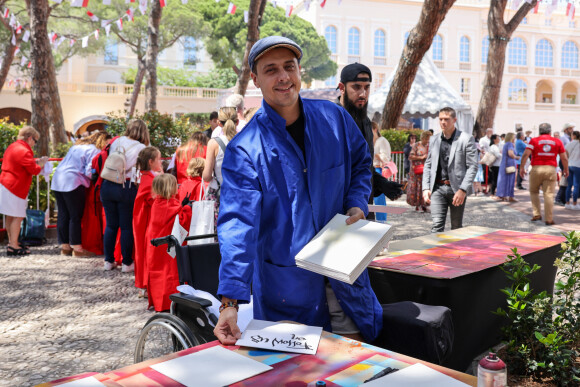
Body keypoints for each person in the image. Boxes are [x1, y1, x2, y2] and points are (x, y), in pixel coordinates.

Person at [213, 36, 382, 345]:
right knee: (297, 376)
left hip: (343, 280)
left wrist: (356, 201)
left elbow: (360, 163)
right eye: (271, 69)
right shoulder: (245, 150)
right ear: (256, 79)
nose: (283, 77)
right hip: (288, 290)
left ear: (300, 70)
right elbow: (238, 226)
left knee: (354, 368)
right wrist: (230, 303)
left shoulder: (335, 120)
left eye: (289, 67)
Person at [336, 62, 403, 220]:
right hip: (338, 210)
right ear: (342, 87)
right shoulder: (329, 120)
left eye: (366, 87)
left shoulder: (366, 122)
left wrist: (380, 183)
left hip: (364, 206)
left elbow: (362, 165)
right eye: (356, 87)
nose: (363, 94)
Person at [100, 118, 149, 271]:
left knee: (111, 225)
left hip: (107, 184)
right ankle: (127, 263)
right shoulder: (142, 147)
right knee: (126, 227)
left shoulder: (117, 141)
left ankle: (108, 261)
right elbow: (142, 170)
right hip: (126, 187)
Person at [422, 107, 478, 233]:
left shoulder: (466, 139)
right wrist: (425, 187)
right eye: (441, 119)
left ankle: (455, 253)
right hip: (437, 188)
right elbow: (428, 164)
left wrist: (463, 190)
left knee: (456, 227)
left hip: (457, 189)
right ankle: (435, 252)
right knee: (436, 226)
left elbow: (472, 166)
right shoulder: (434, 139)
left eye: (446, 119)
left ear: (454, 120)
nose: (443, 122)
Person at [52, 131, 107, 257]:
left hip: (58, 179)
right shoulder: (94, 150)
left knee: (63, 214)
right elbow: (89, 170)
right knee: (75, 215)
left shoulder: (76, 146)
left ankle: (65, 247)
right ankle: (77, 247)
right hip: (73, 181)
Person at [145, 174, 192, 312]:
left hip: (156, 246)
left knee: (158, 272)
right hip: (168, 247)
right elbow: (182, 221)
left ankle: (158, 301)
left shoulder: (156, 203)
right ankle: (169, 301)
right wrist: (187, 208)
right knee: (170, 272)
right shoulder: (170, 204)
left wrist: (182, 205)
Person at [0, 126, 48, 256]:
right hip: (16, 187)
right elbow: (34, 170)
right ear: (30, 138)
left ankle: (12, 242)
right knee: (18, 216)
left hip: (6, 183)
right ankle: (14, 245)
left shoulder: (13, 146)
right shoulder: (24, 150)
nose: (34, 144)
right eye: (35, 141)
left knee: (11, 215)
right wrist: (41, 163)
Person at [519, 123, 569, 226]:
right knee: (549, 194)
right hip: (551, 169)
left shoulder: (534, 140)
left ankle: (537, 214)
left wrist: (522, 167)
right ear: (550, 131)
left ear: (539, 131)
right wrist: (566, 169)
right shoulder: (557, 141)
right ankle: (549, 219)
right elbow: (564, 157)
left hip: (536, 169)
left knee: (533, 191)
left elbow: (526, 154)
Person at [133, 146, 163, 297]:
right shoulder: (149, 179)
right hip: (146, 222)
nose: (161, 161)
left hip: (146, 221)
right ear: (151, 162)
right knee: (145, 252)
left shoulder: (149, 176)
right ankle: (146, 284)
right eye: (159, 158)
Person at [203, 107, 238, 228]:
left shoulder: (214, 143)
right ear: (237, 122)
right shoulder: (244, 139)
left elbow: (207, 176)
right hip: (239, 194)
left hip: (218, 194)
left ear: (219, 123)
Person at [407, 131, 432, 212]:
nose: (428, 141)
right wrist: (421, 157)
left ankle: (424, 204)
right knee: (417, 187)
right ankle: (418, 205)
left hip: (427, 169)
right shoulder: (416, 145)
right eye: (427, 139)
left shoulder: (430, 146)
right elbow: (410, 156)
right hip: (417, 170)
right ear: (423, 138)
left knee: (426, 187)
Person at [372, 122, 390, 221]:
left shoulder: (381, 140)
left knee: (379, 197)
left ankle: (381, 220)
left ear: (375, 129)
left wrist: (378, 156)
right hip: (373, 168)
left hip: (378, 168)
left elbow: (386, 157)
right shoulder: (374, 141)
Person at [495, 133, 520, 202]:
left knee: (503, 180)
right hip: (509, 164)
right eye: (514, 137)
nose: (515, 139)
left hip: (505, 164)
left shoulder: (506, 144)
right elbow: (511, 154)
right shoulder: (509, 144)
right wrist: (517, 157)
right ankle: (510, 196)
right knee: (510, 180)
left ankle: (503, 195)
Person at [564, 130, 580, 210]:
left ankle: (567, 203)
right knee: (576, 185)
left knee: (569, 185)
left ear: (573, 136)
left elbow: (565, 156)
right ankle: (574, 204)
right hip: (578, 166)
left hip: (569, 165)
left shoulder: (568, 144)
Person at [488, 134, 502, 199]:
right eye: (498, 138)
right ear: (494, 140)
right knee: (495, 180)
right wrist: (502, 154)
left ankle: (493, 193)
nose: (499, 139)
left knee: (495, 179)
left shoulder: (495, 146)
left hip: (496, 165)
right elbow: (497, 155)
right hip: (495, 165)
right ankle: (492, 193)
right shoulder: (494, 147)